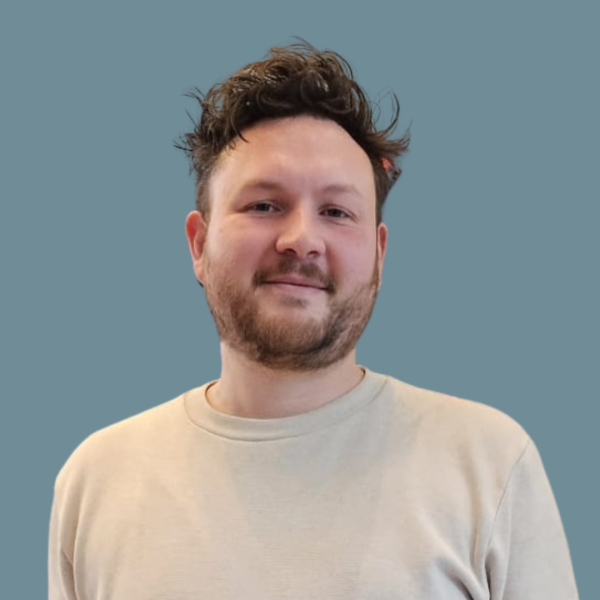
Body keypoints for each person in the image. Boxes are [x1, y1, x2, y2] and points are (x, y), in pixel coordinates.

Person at [48, 41, 579, 599]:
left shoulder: (490, 463)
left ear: (379, 254)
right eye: (264, 205)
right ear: (199, 244)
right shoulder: (97, 479)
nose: (302, 239)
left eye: (336, 211)